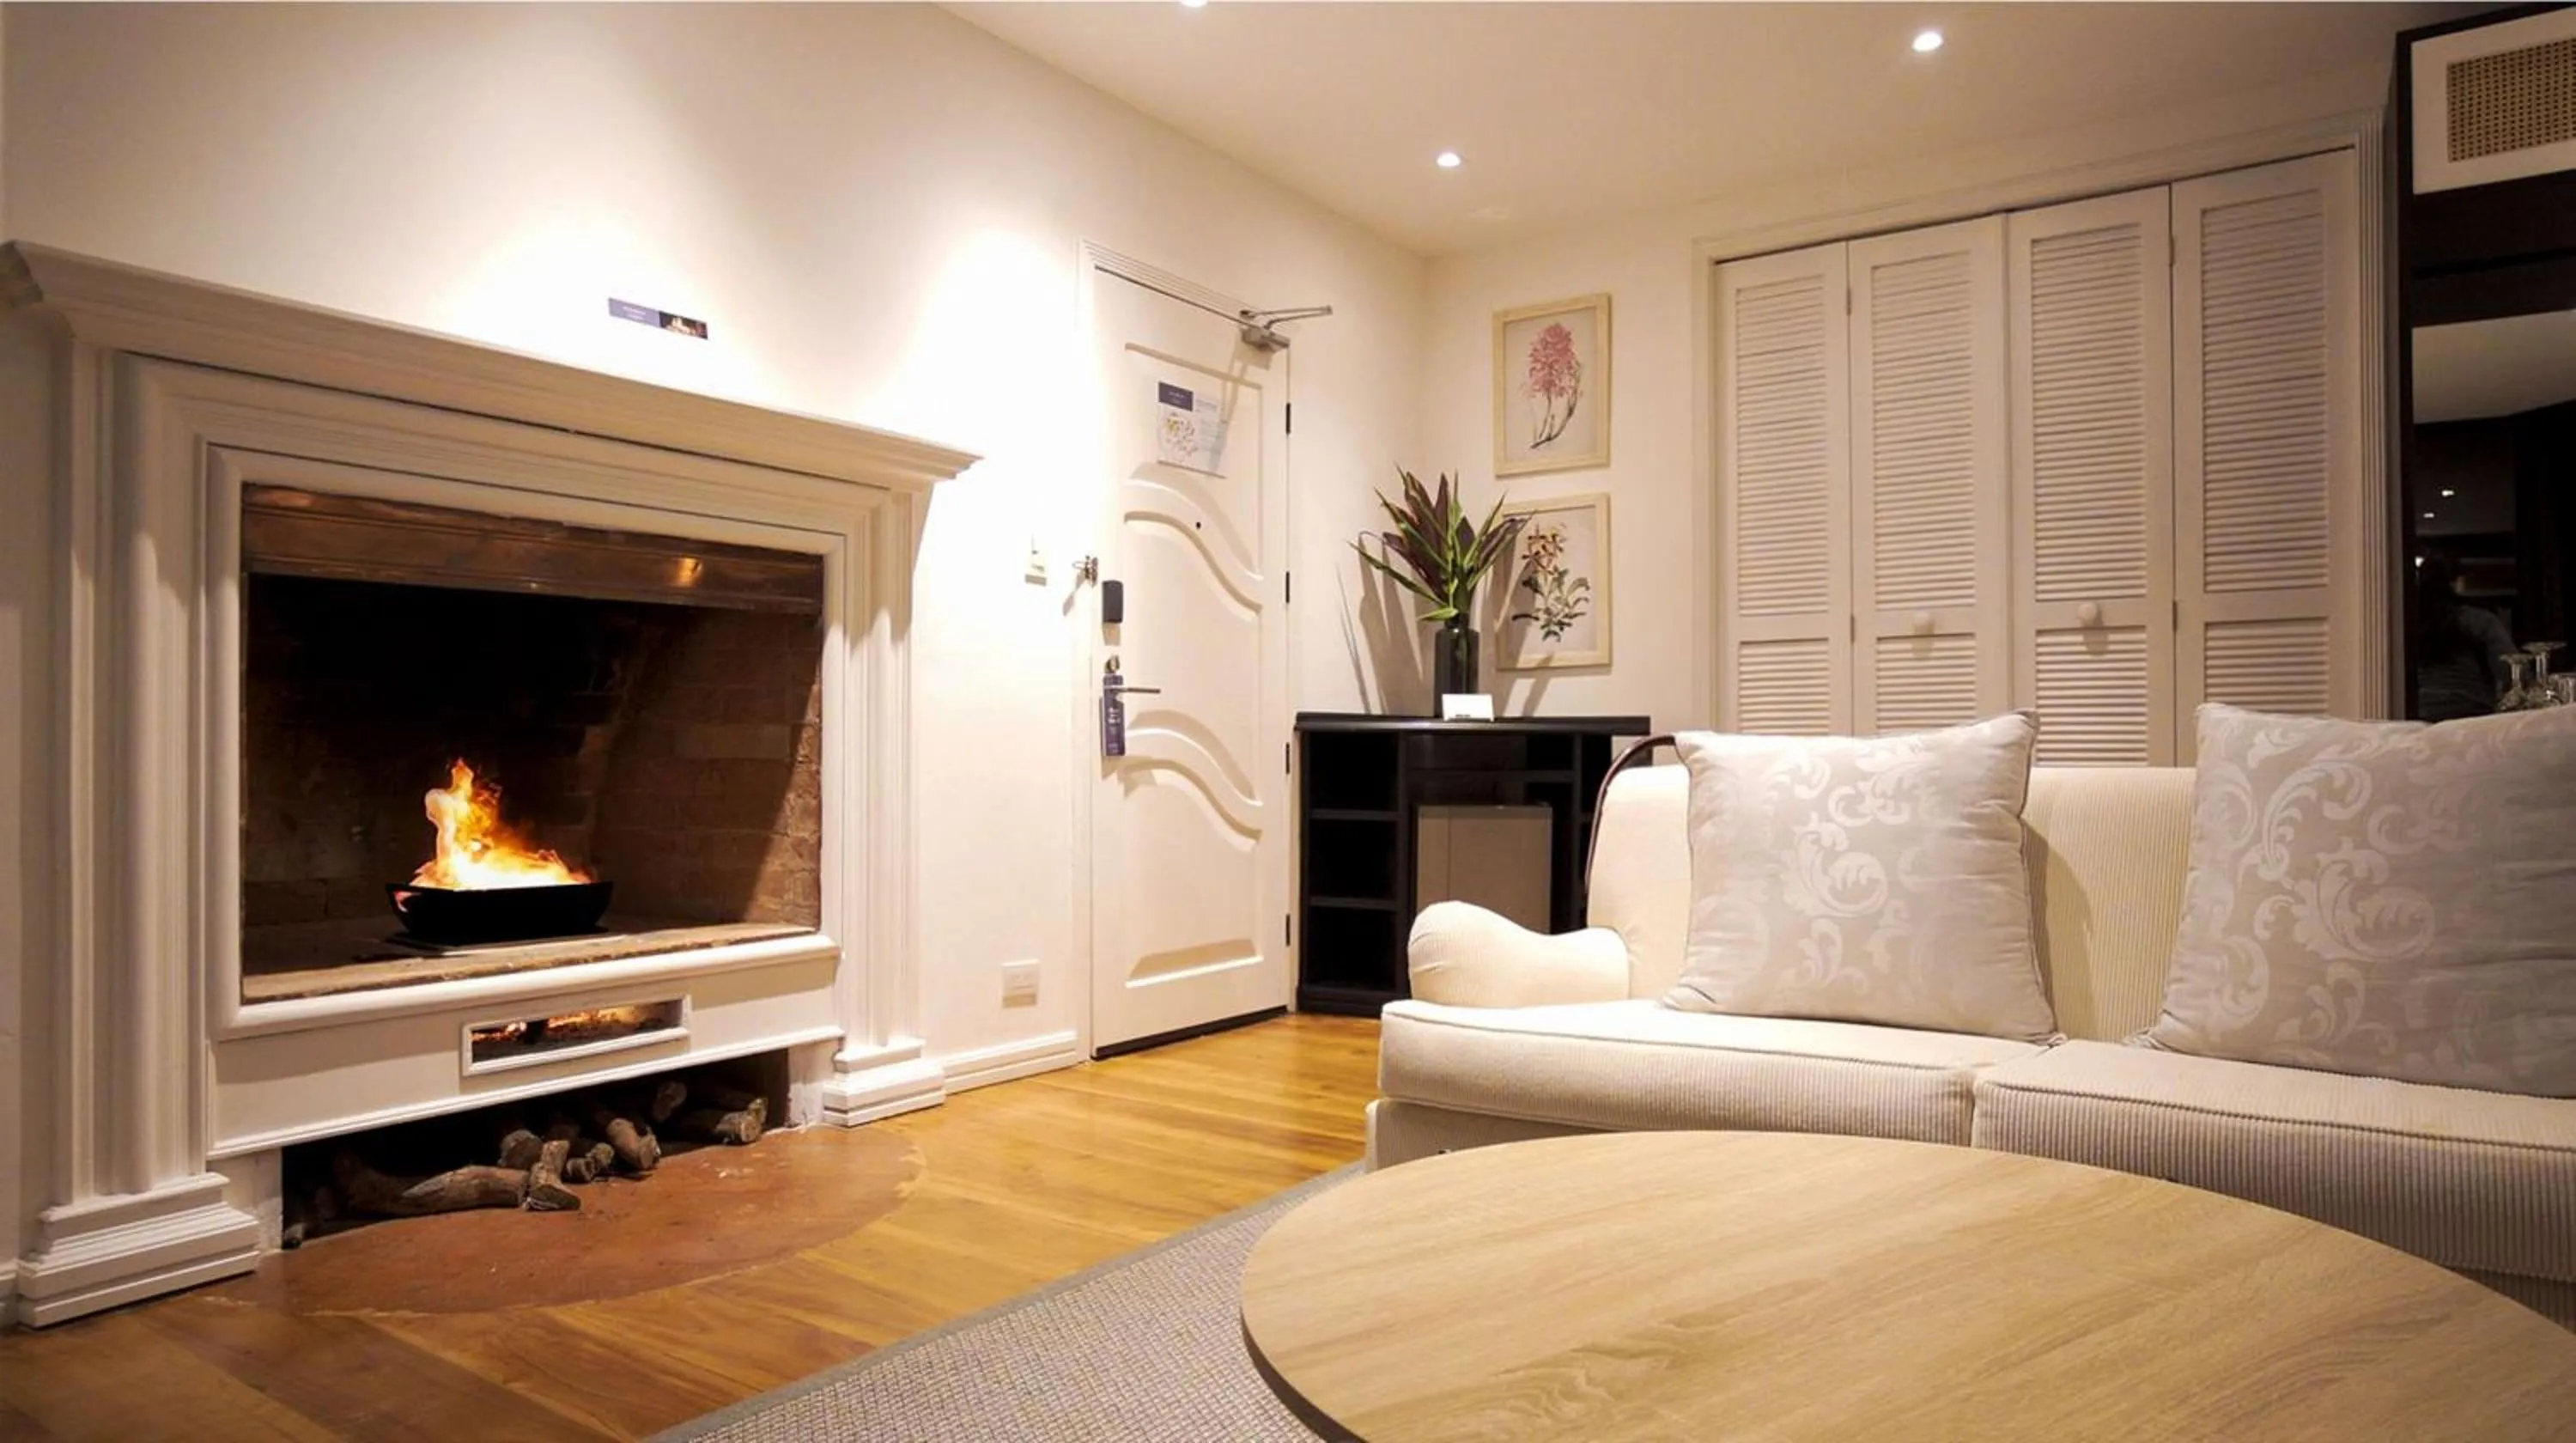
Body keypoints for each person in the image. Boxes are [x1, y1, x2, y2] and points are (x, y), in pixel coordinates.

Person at [2412, 555, 2518, 721]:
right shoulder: (2478, 620)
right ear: (2457, 582)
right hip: (2470, 712)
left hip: (2418, 713)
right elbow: (2511, 671)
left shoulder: (2405, 625)